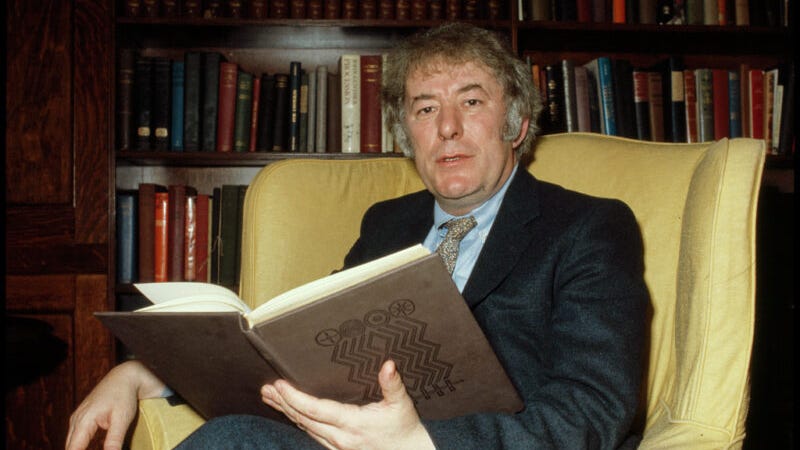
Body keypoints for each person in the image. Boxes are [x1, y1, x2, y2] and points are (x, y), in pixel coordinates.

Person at [67, 23, 648, 450]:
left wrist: (421, 442)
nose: (448, 128)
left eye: (471, 102)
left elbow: (595, 407)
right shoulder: (387, 224)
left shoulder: (588, 227)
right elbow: (301, 349)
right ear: (406, 135)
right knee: (234, 437)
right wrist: (145, 372)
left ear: (517, 123)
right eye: (425, 109)